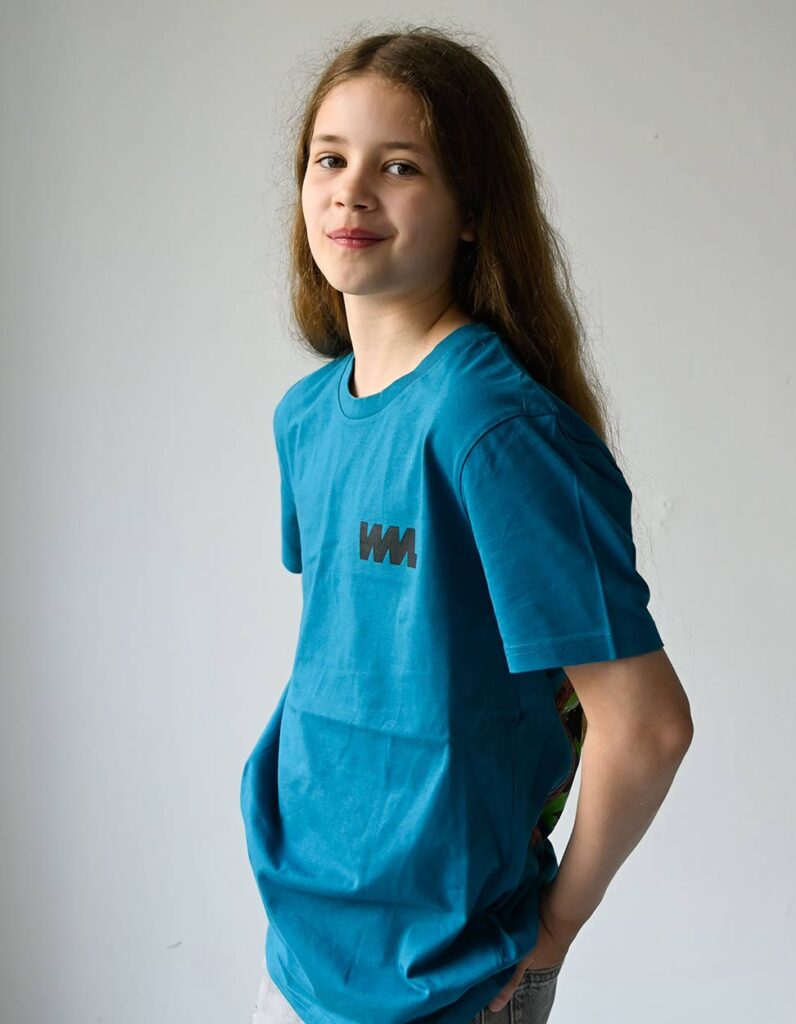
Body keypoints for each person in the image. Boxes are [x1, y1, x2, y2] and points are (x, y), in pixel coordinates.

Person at [240, 24, 694, 1024]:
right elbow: (359, 662)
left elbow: (646, 725)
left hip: (446, 977)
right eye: (329, 159)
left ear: (474, 212)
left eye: (399, 166)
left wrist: (556, 928)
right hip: (303, 940)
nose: (351, 193)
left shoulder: (490, 428)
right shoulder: (305, 417)